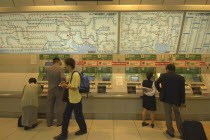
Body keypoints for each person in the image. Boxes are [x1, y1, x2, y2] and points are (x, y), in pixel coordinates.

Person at [54, 58, 87, 140]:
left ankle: (83, 129)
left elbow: (75, 87)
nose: (65, 67)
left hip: (76, 99)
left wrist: (66, 86)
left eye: (65, 66)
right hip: (71, 98)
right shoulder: (70, 73)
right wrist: (65, 83)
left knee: (78, 116)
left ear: (69, 65)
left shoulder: (75, 74)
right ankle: (64, 134)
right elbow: (71, 84)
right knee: (66, 116)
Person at [155, 64, 185, 139]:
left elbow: (156, 83)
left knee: (168, 115)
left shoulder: (163, 76)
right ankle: (182, 133)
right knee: (178, 116)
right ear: (174, 69)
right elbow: (182, 91)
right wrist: (182, 101)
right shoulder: (180, 78)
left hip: (166, 99)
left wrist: (161, 91)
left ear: (167, 69)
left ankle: (170, 131)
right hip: (176, 100)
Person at [46, 58, 65, 127]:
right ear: (58, 61)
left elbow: (48, 78)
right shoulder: (61, 69)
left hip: (50, 89)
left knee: (49, 106)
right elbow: (62, 78)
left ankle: (49, 123)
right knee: (59, 106)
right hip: (58, 89)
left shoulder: (47, 69)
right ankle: (59, 122)